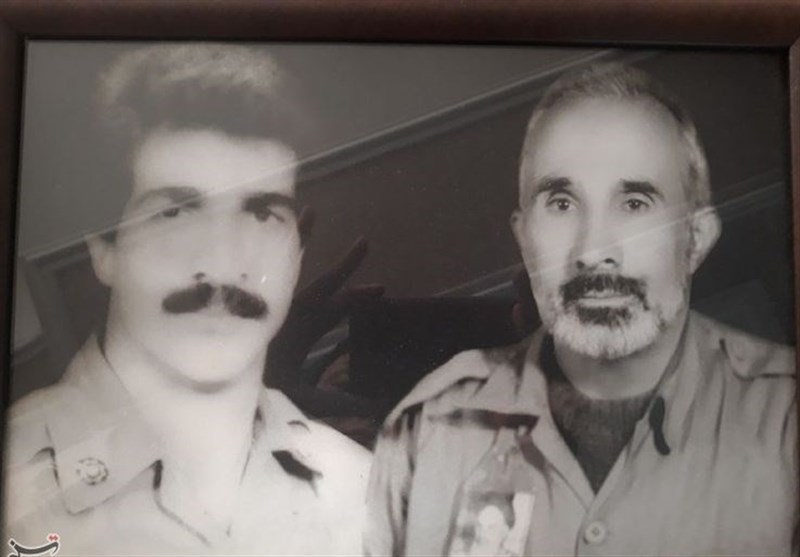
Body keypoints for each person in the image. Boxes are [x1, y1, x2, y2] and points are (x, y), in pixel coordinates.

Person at [366, 64, 797, 556]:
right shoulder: (427, 427)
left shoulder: (785, 418)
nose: (592, 251)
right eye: (561, 203)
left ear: (695, 239)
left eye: (635, 203)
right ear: (524, 238)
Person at [4, 44, 370, 555]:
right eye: (173, 213)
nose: (222, 261)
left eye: (263, 214)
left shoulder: (364, 492)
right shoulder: (13, 485)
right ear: (102, 248)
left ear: (298, 256)